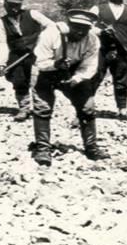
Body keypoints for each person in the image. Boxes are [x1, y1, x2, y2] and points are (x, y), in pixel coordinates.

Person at [30, 9, 110, 166]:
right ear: (69, 24)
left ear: (90, 28)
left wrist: (77, 79)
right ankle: (43, 149)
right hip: (45, 71)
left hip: (74, 72)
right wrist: (55, 64)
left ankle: (91, 147)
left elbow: (89, 65)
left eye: (84, 28)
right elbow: (40, 61)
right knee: (42, 108)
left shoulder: (93, 40)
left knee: (87, 108)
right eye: (76, 26)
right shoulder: (50, 34)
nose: (80, 31)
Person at [0, 0, 53, 121]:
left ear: (21, 5)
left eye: (16, 5)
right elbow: (2, 43)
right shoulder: (2, 21)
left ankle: (41, 108)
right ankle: (24, 108)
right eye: (10, 6)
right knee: (19, 80)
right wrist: (1, 63)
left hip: (37, 53)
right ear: (5, 6)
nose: (14, 9)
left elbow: (51, 26)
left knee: (37, 80)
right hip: (17, 55)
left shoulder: (32, 14)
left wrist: (41, 40)